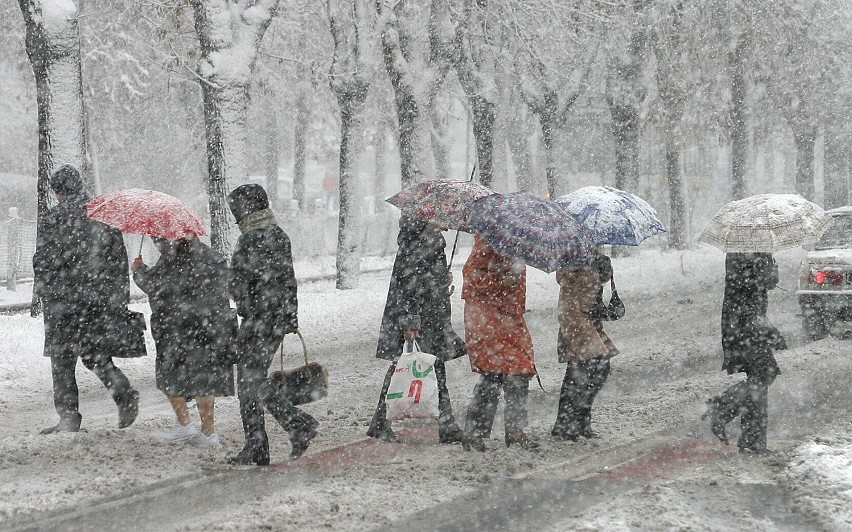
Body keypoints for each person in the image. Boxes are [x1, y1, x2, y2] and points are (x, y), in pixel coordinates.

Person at [33, 164, 139, 434]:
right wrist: (117, 298)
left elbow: (42, 262)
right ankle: (124, 393)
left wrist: (47, 291)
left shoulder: (53, 219)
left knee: (62, 362)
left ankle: (68, 418)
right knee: (95, 355)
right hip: (96, 301)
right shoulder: (103, 217)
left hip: (62, 303)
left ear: (58, 193)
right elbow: (118, 261)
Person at [227, 183, 318, 465]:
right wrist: (290, 316)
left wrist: (236, 291)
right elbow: (288, 280)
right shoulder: (279, 236)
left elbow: (241, 286)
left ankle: (279, 433)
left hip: (257, 321)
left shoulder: (249, 240)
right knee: (253, 380)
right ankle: (279, 433)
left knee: (248, 382)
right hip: (275, 320)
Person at [368, 216, 466, 444]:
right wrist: (411, 323)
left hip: (429, 316)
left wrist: (442, 280)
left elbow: (422, 281)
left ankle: (382, 423)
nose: (446, 221)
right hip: (422, 319)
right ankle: (446, 426)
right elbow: (408, 286)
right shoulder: (421, 241)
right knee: (420, 366)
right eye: (441, 217)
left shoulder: (425, 239)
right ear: (429, 219)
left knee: (417, 367)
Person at [131, 237, 236, 447]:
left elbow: (157, 286)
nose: (155, 242)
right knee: (205, 380)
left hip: (177, 330)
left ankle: (185, 423)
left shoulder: (171, 260)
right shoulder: (212, 256)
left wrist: (139, 271)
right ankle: (208, 432)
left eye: (156, 239)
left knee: (170, 375)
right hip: (210, 328)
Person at [460, 235, 538, 451]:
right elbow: (470, 281)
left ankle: (513, 431)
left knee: (519, 372)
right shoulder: (488, 244)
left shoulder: (516, 245)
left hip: (509, 318)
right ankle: (476, 434)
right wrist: (502, 281)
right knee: (493, 374)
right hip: (488, 318)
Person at [704, 252, 786, 453]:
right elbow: (747, 291)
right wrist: (769, 331)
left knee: (760, 378)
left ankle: (752, 439)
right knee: (763, 374)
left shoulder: (751, 249)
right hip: (745, 327)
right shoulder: (746, 252)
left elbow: (755, 285)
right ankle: (722, 408)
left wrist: (769, 273)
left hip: (745, 326)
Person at [551, 252, 619, 441]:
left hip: (587, 319)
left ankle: (573, 421)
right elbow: (568, 279)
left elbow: (597, 283)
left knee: (581, 370)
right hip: (574, 319)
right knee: (591, 367)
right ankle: (571, 422)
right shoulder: (571, 255)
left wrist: (604, 268)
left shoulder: (591, 252)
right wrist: (591, 266)